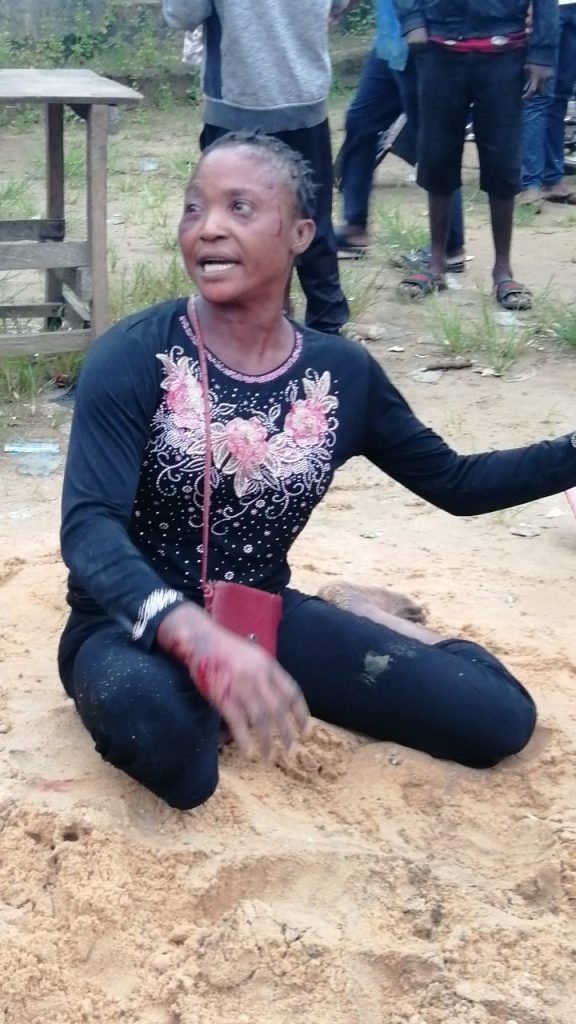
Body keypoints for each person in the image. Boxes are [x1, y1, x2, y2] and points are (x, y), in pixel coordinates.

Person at [59, 132, 576, 810]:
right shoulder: (133, 355)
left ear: (301, 233)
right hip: (127, 625)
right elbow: (89, 527)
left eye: (240, 208)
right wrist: (193, 634)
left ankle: (368, 615)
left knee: (496, 719)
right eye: (194, 208)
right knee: (168, 745)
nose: (208, 228)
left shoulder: (342, 373)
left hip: (260, 620)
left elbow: (456, 483)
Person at [162, 0, 351, 336]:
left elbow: (183, 14)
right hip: (306, 101)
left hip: (238, 104)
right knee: (313, 222)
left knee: (235, 221)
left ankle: (256, 325)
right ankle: (327, 331)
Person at [393, 0, 559, 309]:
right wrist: (412, 20)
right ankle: (437, 264)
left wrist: (543, 53)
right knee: (437, 156)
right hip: (439, 49)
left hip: (505, 52)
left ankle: (503, 270)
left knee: (502, 159)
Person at [335, 0, 467, 288]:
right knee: (360, 122)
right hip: (389, 43)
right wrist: (340, 7)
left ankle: (450, 245)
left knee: (433, 144)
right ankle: (354, 228)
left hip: (421, 40)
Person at [519, 0, 576, 207]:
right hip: (546, 9)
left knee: (561, 96)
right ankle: (530, 183)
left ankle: (552, 179)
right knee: (539, 94)